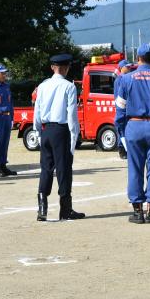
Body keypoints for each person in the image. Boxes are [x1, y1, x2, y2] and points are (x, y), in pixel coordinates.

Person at [116, 44, 150, 223]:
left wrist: (122, 132)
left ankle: (137, 211)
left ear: (138, 59)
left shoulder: (126, 79)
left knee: (135, 169)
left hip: (134, 126)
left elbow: (120, 109)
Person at [33, 54, 85, 221]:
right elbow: (72, 116)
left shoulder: (43, 86)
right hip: (61, 131)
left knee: (46, 169)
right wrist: (74, 136)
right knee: (64, 170)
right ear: (66, 68)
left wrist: (39, 132)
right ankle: (65, 209)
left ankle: (42, 208)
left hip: (46, 129)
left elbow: (37, 112)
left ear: (52, 67)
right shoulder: (69, 87)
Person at [113, 59, 132, 160]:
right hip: (122, 108)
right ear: (121, 68)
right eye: (127, 66)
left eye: (129, 66)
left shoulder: (128, 78)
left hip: (129, 108)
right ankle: (121, 150)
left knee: (127, 130)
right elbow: (118, 97)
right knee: (121, 129)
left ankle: (127, 149)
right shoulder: (119, 80)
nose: (129, 68)